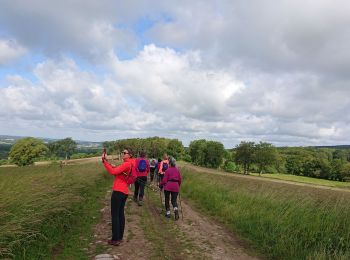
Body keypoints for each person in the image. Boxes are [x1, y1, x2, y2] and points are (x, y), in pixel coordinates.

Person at [102, 147, 134, 246]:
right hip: (124, 191)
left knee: (115, 215)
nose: (122, 154)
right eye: (122, 152)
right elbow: (118, 172)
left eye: (124, 153)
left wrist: (104, 162)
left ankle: (115, 239)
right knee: (120, 214)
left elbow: (113, 172)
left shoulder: (126, 164)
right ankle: (119, 237)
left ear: (130, 155)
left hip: (118, 191)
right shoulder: (130, 163)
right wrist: (111, 165)